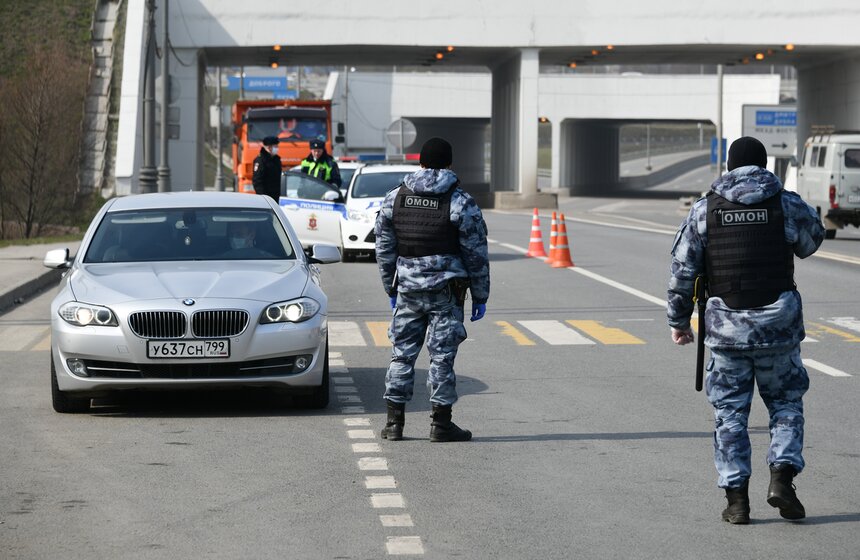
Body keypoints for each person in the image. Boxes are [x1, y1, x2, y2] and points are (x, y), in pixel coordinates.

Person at [667, 136, 825, 524]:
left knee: (730, 416)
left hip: (727, 332)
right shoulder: (787, 203)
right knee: (786, 406)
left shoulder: (705, 210)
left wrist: (678, 320)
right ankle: (782, 480)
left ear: (728, 165)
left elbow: (683, 271)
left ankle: (737, 501)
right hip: (778, 330)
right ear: (764, 163)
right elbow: (812, 242)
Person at [374, 137, 490, 443]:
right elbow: (476, 253)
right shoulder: (460, 201)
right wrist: (480, 295)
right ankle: (441, 425)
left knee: (402, 356)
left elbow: (384, 249)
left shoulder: (395, 198)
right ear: (450, 164)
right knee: (441, 358)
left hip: (408, 290)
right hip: (446, 292)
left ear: (421, 163)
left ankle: (393, 423)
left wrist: (390, 287)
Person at [252, 136, 282, 201]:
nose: (277, 148)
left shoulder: (276, 159)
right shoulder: (260, 160)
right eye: (275, 146)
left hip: (276, 196)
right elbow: (257, 181)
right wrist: (263, 198)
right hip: (266, 198)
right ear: (269, 147)